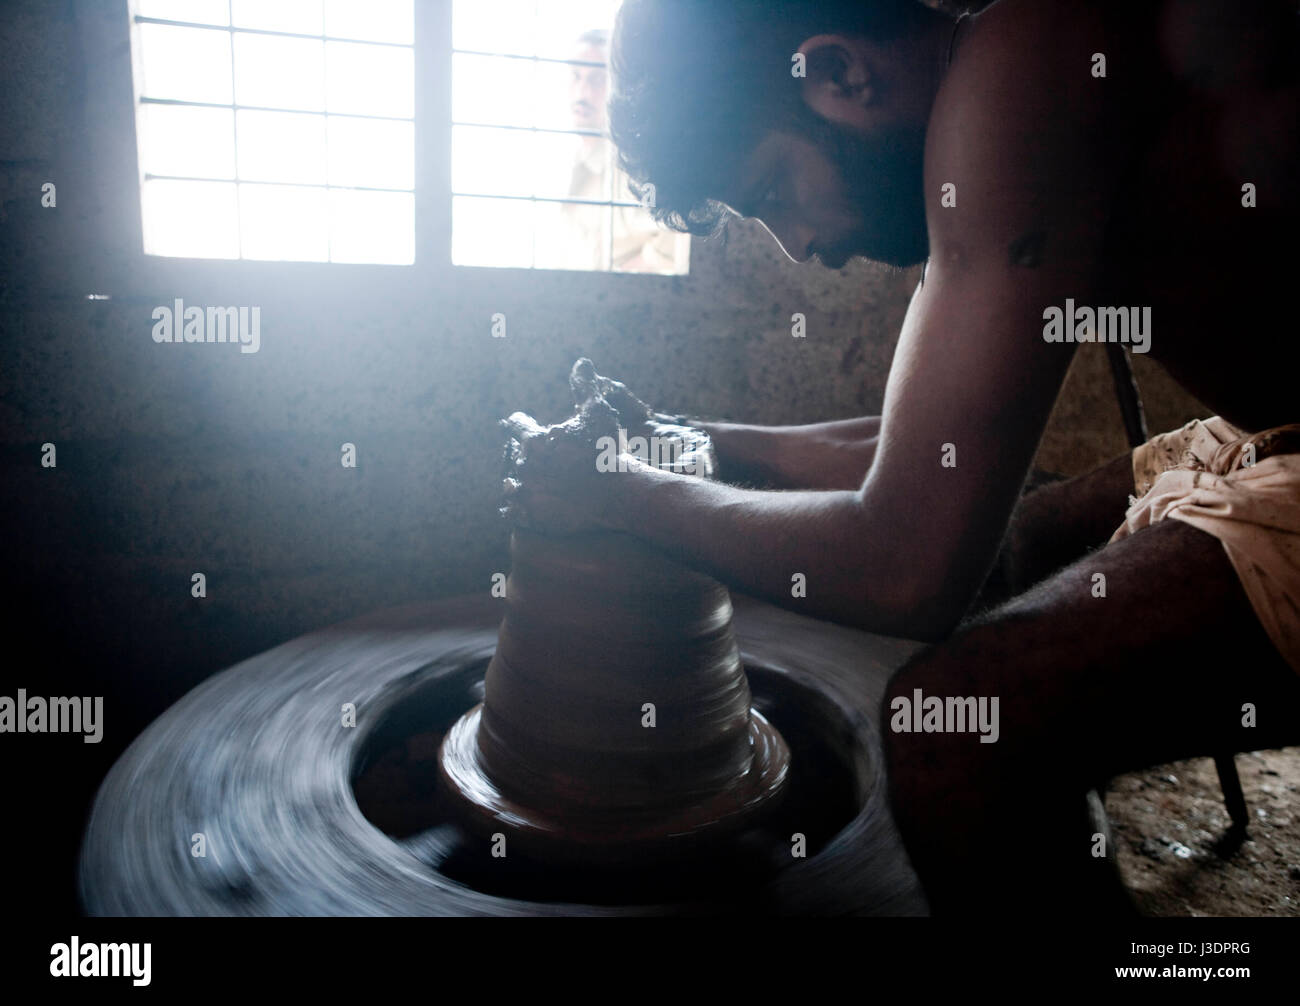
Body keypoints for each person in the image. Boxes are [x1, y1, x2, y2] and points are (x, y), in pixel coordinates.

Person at [502, 0, 1300, 914]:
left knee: (959, 732)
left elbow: (906, 564)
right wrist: (693, 443)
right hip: (1263, 434)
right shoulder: (996, 91)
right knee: (1014, 549)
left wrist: (619, 495)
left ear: (840, 74)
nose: (797, 244)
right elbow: (921, 455)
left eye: (770, 194)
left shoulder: (1018, 84)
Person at [554, 29, 688, 272]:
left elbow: (681, 227)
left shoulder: (634, 164)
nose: (583, 92)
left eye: (597, 80)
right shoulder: (565, 163)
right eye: (576, 76)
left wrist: (631, 273)